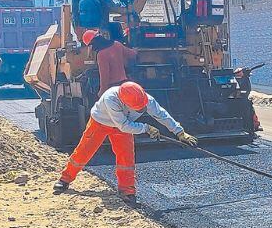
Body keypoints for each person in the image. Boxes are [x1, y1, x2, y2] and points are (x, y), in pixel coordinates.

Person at [53, 81, 198, 204]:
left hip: (124, 125)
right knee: (84, 151)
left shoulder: (145, 99)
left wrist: (179, 132)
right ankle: (65, 179)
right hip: (100, 123)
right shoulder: (111, 99)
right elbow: (124, 125)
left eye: (142, 106)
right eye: (139, 108)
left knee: (126, 158)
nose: (142, 109)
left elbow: (161, 115)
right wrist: (146, 128)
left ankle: (127, 190)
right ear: (124, 102)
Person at [82, 28, 137, 96]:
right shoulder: (117, 44)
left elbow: (104, 75)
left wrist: (102, 91)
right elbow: (133, 54)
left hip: (112, 87)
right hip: (123, 83)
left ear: (93, 43)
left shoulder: (101, 54)